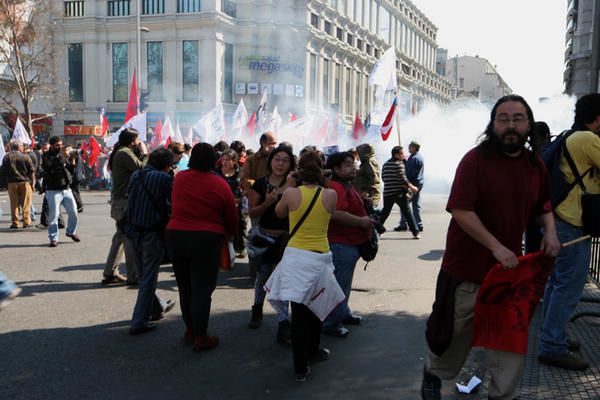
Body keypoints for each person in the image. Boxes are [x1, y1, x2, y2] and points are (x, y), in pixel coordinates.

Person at [420, 95, 561, 400]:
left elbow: (543, 204)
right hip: (467, 268)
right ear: (493, 124)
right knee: (455, 337)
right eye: (504, 118)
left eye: (518, 118)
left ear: (528, 124)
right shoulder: (475, 160)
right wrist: (496, 246)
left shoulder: (535, 166)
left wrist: (550, 232)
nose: (511, 125)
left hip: (510, 276)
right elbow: (460, 209)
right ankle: (434, 372)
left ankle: (501, 394)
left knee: (510, 341)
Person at [265, 150, 343, 382]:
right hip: (319, 257)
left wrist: (289, 185)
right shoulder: (330, 195)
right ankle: (313, 350)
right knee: (316, 305)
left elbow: (279, 213)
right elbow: (331, 212)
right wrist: (325, 183)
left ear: (298, 171)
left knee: (298, 313)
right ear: (321, 171)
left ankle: (300, 367)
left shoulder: (290, 193)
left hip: (296, 258)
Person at [538, 93, 600, 371]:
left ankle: (553, 336)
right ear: (597, 119)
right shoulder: (587, 139)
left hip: (561, 221)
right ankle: (552, 346)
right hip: (572, 222)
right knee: (568, 288)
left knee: (556, 284)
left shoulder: (570, 136)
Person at [166, 143, 238, 352]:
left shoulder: (180, 178)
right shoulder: (219, 183)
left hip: (176, 235)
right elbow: (231, 215)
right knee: (202, 289)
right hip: (206, 238)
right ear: (213, 160)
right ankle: (200, 335)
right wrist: (230, 236)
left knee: (185, 286)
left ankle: (191, 329)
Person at [321, 151, 375, 338]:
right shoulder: (335, 186)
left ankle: (343, 314)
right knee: (338, 285)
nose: (354, 167)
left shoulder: (345, 184)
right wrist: (361, 222)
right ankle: (330, 322)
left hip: (351, 243)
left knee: (344, 283)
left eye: (354, 164)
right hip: (341, 244)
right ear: (336, 168)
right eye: (348, 165)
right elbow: (335, 213)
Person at [246, 145, 295, 344]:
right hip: (265, 239)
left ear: (291, 164)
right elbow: (252, 213)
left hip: (287, 241)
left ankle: (283, 323)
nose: (280, 163)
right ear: (271, 162)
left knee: (283, 281)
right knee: (263, 276)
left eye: (285, 160)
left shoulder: (295, 185)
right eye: (277, 159)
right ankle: (257, 308)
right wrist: (268, 203)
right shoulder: (260, 184)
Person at [127, 148, 176, 335]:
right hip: (151, 233)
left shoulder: (136, 175)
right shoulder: (163, 179)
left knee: (144, 276)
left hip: (132, 232)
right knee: (148, 278)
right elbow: (172, 204)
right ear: (167, 165)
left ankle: (156, 308)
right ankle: (138, 321)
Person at [102, 129, 147, 285]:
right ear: (131, 141)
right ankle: (133, 276)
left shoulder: (121, 151)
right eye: (137, 139)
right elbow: (141, 168)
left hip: (120, 200)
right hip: (124, 201)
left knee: (120, 237)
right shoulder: (124, 153)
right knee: (129, 238)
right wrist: (146, 153)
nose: (139, 142)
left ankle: (110, 272)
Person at [241, 132, 277, 278]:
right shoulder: (251, 160)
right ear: (263, 143)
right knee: (256, 234)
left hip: (275, 203)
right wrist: (260, 186)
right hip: (257, 202)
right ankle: (255, 268)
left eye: (275, 143)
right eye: (271, 143)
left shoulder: (277, 158)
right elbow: (244, 179)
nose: (274, 146)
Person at [41, 136, 81, 247]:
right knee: (54, 215)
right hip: (53, 190)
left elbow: (70, 170)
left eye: (61, 144)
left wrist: (73, 160)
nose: (60, 147)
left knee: (74, 212)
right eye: (57, 145)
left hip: (66, 188)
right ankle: (53, 237)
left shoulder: (63, 155)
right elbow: (50, 168)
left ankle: (71, 232)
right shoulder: (46, 156)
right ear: (52, 145)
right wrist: (62, 158)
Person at [378, 145, 420, 239]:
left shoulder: (386, 164)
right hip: (399, 193)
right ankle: (415, 232)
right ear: (396, 154)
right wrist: (412, 187)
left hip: (388, 192)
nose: (403, 155)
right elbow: (403, 179)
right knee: (407, 212)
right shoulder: (399, 164)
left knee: (385, 212)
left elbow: (384, 178)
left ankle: (377, 230)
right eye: (401, 153)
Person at [217, 149, 247, 258]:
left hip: (237, 205)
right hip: (220, 205)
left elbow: (246, 188)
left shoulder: (240, 172)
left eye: (227, 160)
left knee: (240, 225)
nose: (224, 162)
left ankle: (240, 248)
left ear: (234, 161)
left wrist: (242, 196)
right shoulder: (217, 172)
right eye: (223, 159)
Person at [0, 141, 34, 228]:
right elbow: (31, 171)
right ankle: (26, 221)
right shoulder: (26, 157)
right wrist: (32, 184)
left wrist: (4, 184)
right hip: (24, 182)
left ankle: (15, 222)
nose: (23, 148)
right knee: (26, 203)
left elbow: (3, 171)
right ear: (19, 147)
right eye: (22, 146)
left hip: (12, 183)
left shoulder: (7, 157)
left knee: (14, 204)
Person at [397, 141, 425, 232]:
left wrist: (405, 182)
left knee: (404, 204)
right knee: (415, 205)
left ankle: (403, 224)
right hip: (417, 183)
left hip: (413, 184)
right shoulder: (417, 157)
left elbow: (409, 173)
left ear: (414, 147)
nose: (408, 148)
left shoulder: (414, 159)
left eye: (410, 147)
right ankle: (418, 224)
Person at [353, 143, 381, 210]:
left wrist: (371, 196)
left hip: (369, 198)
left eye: (359, 150)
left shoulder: (370, 162)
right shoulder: (366, 162)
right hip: (365, 196)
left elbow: (374, 180)